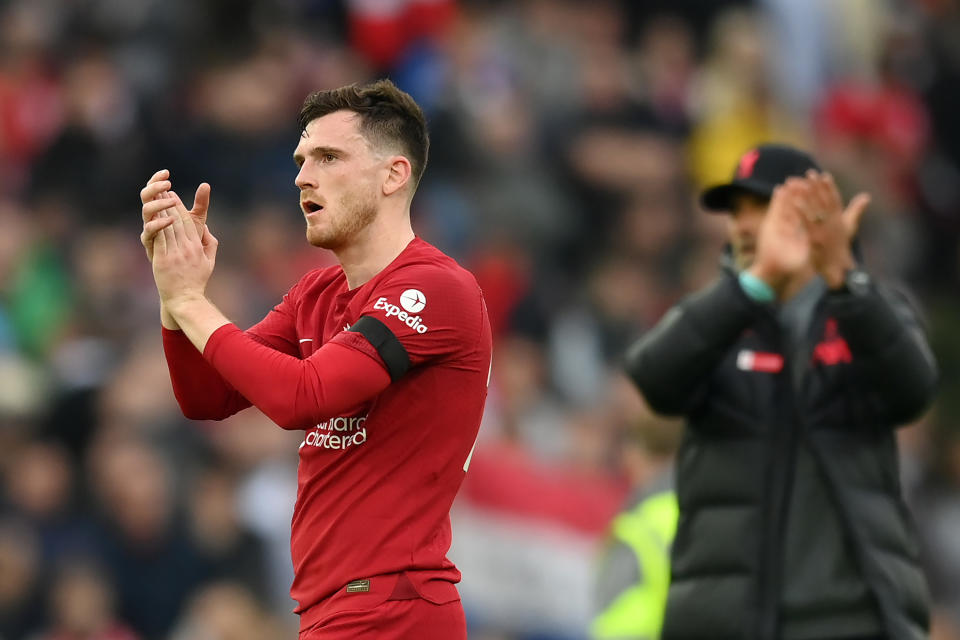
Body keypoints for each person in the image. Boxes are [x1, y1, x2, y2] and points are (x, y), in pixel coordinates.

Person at [137, 79, 492, 640]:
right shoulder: (316, 294)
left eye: (329, 157)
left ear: (394, 175)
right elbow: (207, 397)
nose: (303, 176)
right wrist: (170, 292)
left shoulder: (435, 287)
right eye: (302, 159)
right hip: (336, 610)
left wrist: (191, 302)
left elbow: (301, 397)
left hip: (390, 607)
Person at [623, 143, 937, 640]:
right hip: (727, 622)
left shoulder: (867, 311)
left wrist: (846, 284)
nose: (745, 225)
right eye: (736, 212)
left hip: (848, 621)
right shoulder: (717, 319)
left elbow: (913, 390)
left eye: (764, 208)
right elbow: (653, 379)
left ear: (817, 216)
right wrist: (755, 286)